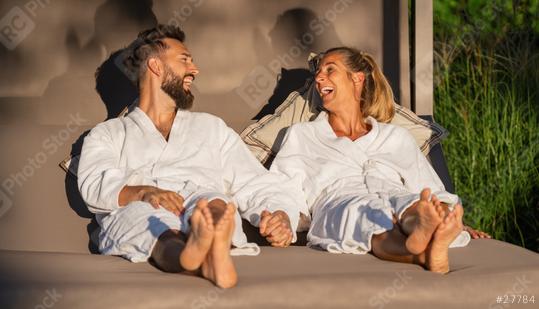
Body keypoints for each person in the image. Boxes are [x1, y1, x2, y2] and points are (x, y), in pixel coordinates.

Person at [77, 24, 297, 288]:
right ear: (156, 66)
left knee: (213, 201)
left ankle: (208, 240)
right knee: (145, 219)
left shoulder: (211, 127)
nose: (195, 69)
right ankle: (197, 257)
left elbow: (256, 182)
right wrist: (143, 192)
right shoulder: (109, 134)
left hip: (197, 202)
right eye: (184, 60)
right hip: (142, 213)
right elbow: (93, 184)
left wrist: (279, 215)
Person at [271, 47, 488, 274]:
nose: (318, 78)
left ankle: (426, 228)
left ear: (357, 78)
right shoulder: (302, 135)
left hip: (393, 191)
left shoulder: (395, 136)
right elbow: (284, 187)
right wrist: (283, 217)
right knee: (366, 214)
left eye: (330, 70)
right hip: (339, 200)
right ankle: (423, 253)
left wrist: (449, 215)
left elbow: (428, 187)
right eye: (318, 72)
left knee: (412, 203)